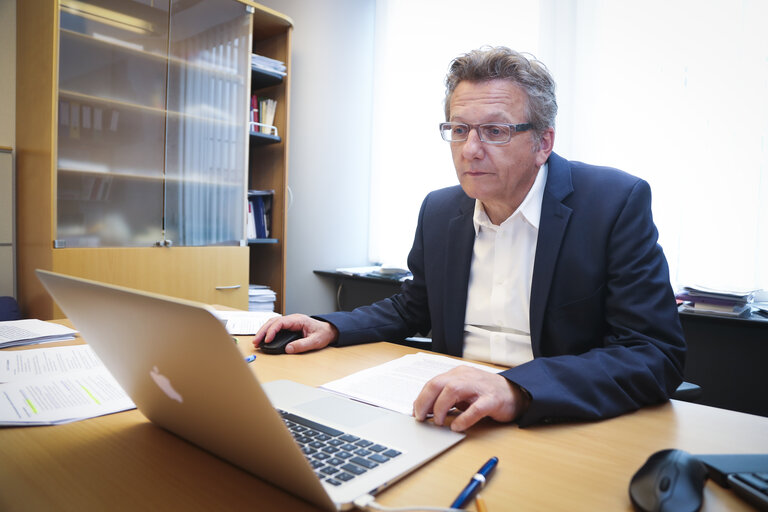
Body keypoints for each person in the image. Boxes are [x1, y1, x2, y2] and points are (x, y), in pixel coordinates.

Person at [254, 46, 685, 431]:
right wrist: (331, 325)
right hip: (450, 413)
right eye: (459, 130)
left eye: (495, 131)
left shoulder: (612, 203)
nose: (470, 150)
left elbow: (652, 354)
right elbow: (414, 305)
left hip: (555, 417)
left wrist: (516, 388)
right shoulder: (441, 209)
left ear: (543, 143)